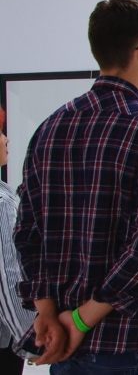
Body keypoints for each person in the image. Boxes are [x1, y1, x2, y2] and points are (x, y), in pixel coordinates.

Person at [13, 0, 138, 373]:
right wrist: (79, 320)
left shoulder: (49, 128)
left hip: (64, 342)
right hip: (132, 342)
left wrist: (48, 312)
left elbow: (27, 232)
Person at [0, 108, 35, 375]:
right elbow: (8, 279)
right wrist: (31, 339)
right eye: (0, 132)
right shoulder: (2, 203)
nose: (6, 139)